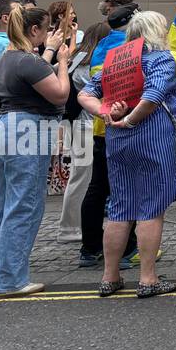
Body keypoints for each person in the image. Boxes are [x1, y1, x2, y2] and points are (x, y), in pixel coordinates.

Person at [77, 12, 176, 298]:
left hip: (116, 139)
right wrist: (131, 120)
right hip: (151, 137)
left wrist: (107, 114)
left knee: (120, 206)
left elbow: (84, 95)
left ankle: (109, 278)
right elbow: (153, 97)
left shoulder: (114, 60)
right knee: (151, 206)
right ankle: (148, 279)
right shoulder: (161, 58)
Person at [0, 7, 69, 297]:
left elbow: (34, 74)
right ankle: (10, 279)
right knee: (25, 204)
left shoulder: (6, 59)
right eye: (46, 28)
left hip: (2, 128)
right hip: (27, 130)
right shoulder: (27, 61)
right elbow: (60, 93)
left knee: (2, 204)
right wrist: (62, 62)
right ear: (33, 31)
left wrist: (48, 52)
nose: (49, 34)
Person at [77, 5, 140, 268]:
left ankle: (90, 249)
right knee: (125, 190)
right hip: (125, 125)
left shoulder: (101, 46)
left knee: (97, 187)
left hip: (101, 127)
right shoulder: (130, 48)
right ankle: (128, 250)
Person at [57, 19, 108, 242]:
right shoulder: (90, 64)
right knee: (83, 177)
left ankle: (72, 226)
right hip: (86, 125)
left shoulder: (77, 59)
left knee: (83, 176)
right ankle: (69, 228)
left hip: (77, 123)